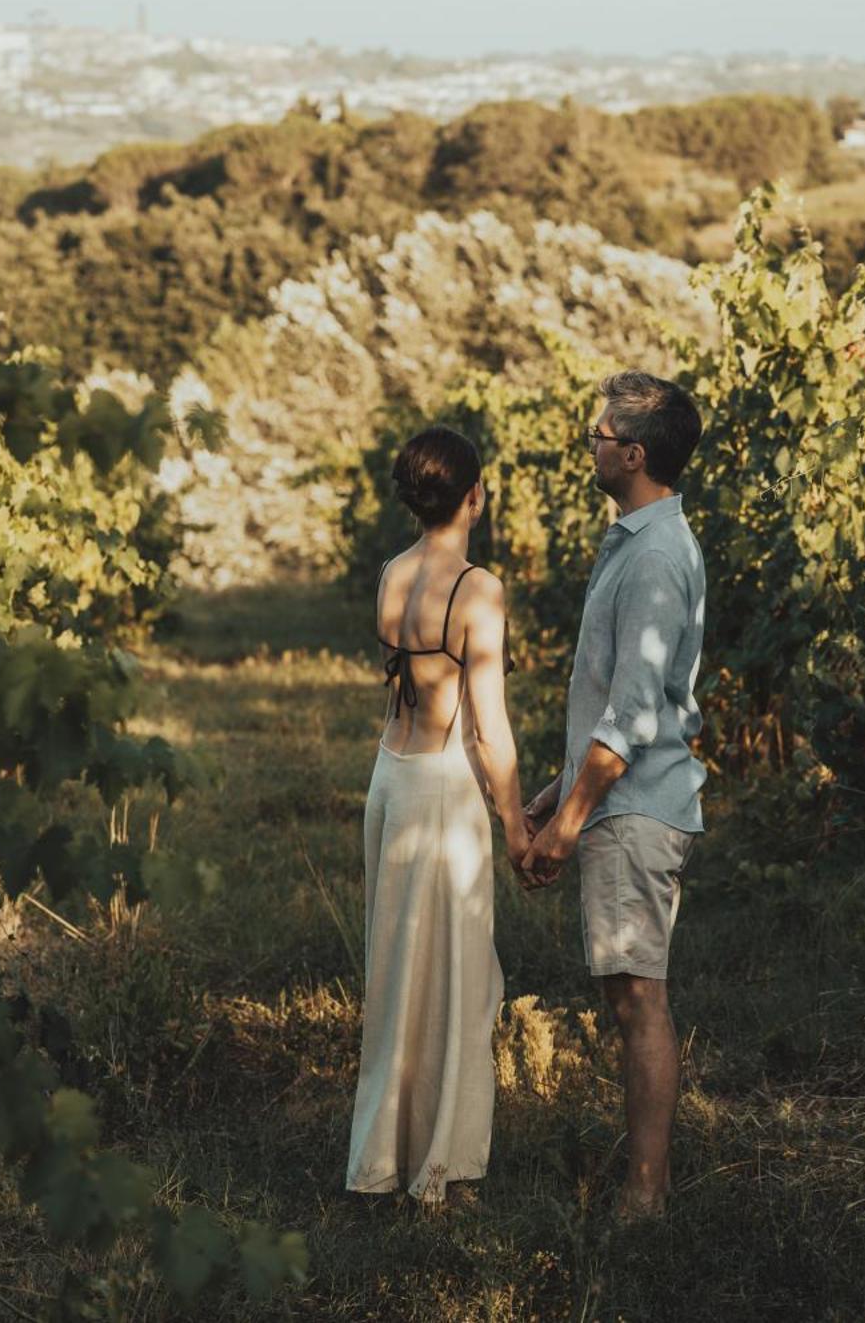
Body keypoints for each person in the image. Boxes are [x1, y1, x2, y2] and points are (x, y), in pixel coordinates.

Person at [518, 371, 707, 1220]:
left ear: (633, 454)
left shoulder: (658, 556)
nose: (590, 443)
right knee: (631, 994)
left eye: (599, 433)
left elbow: (633, 716)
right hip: (619, 796)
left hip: (632, 809)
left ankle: (645, 1194)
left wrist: (568, 823)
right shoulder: (636, 540)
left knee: (640, 1000)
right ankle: (645, 1180)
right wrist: (555, 786)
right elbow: (624, 697)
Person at [346, 426, 529, 1205]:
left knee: (395, 978)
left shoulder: (391, 572)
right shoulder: (476, 589)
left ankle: (384, 1158)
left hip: (390, 779)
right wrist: (519, 827)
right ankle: (446, 1172)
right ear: (474, 496)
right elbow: (488, 728)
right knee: (454, 980)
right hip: (445, 792)